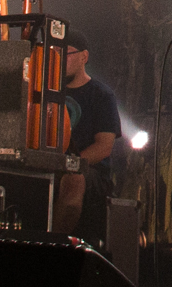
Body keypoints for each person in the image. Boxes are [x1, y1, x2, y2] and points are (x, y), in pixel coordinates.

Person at [48, 28, 127, 240]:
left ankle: (54, 243)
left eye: (66, 53)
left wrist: (70, 164)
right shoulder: (47, 92)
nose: (59, 59)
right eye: (55, 54)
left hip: (90, 172)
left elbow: (104, 147)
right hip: (50, 164)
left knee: (74, 179)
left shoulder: (101, 95)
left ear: (84, 57)